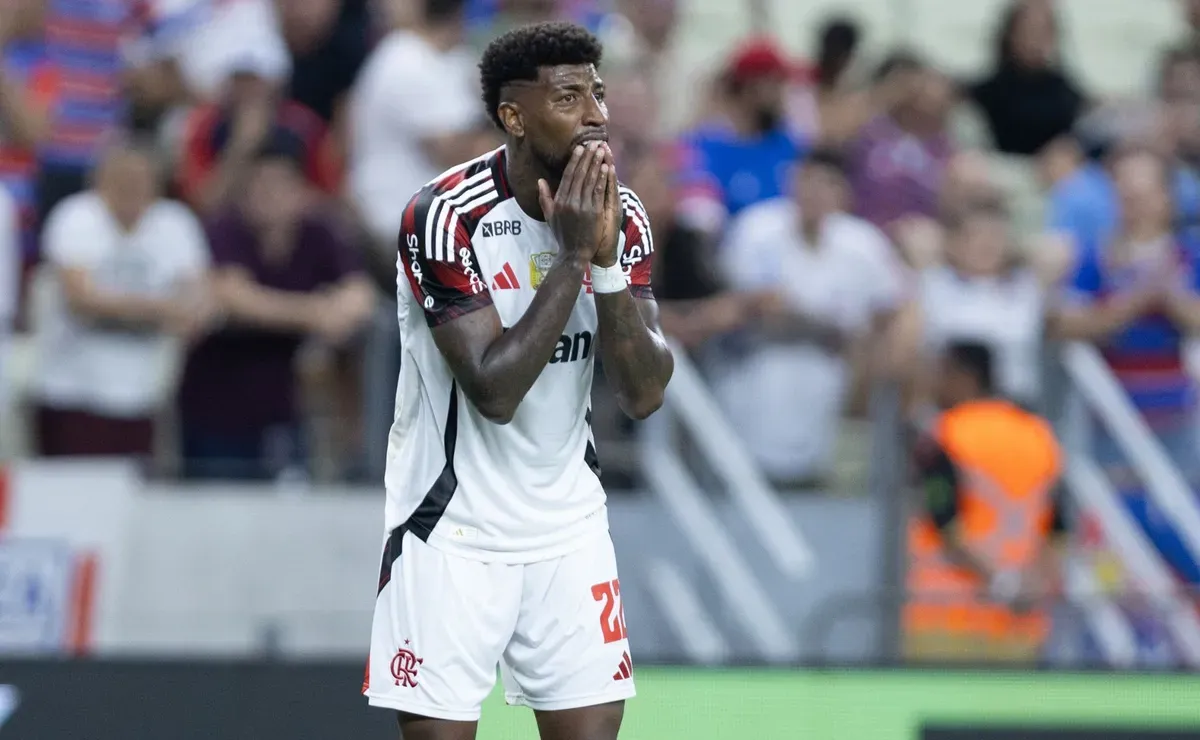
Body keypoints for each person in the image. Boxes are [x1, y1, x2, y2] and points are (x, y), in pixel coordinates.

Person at [362, 20, 673, 740]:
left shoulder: (620, 216)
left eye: (597, 94)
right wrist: (570, 260)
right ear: (513, 116)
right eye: (568, 97)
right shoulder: (443, 218)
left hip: (568, 530)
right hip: (449, 530)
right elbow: (495, 392)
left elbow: (646, 392)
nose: (596, 114)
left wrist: (602, 263)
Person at [176, 137, 374, 481]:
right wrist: (316, 313)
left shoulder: (320, 233)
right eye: (257, 185)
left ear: (301, 191)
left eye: (279, 185)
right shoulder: (224, 229)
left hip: (288, 407)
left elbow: (360, 294)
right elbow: (234, 296)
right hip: (216, 404)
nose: (267, 195)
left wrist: (339, 311)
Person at [713, 148, 905, 488]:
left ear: (843, 193)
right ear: (792, 183)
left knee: (829, 482)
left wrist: (868, 358)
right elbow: (758, 311)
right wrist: (834, 327)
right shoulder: (757, 228)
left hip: (835, 377)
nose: (815, 193)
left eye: (827, 184)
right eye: (808, 181)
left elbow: (891, 310)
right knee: (751, 477)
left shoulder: (864, 244)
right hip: (758, 367)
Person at [33, 139, 213, 457]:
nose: (132, 189)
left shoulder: (176, 223)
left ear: (157, 185)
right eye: (122, 180)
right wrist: (162, 309)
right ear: (100, 181)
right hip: (73, 391)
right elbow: (82, 301)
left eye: (141, 181)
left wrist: (120, 308)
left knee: (134, 498)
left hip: (145, 394)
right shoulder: (76, 216)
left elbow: (196, 306)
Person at [905, 341, 1064, 663]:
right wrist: (1030, 586)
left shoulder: (943, 436)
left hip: (943, 618)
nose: (934, 383)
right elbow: (1058, 529)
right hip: (1019, 623)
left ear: (965, 377)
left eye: (941, 373)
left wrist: (1001, 583)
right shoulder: (1038, 434)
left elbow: (946, 524)